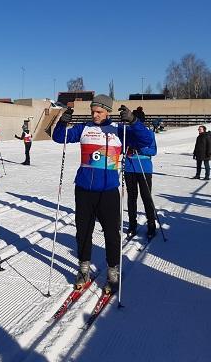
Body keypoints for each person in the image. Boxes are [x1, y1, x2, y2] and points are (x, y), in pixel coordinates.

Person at [53, 94, 153, 294]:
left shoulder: (118, 130)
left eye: (99, 111)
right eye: (93, 111)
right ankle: (83, 268)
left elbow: (146, 140)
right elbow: (58, 137)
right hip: (84, 189)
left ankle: (112, 270)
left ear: (107, 111)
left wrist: (133, 121)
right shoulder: (84, 128)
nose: (95, 115)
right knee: (83, 231)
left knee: (111, 233)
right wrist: (62, 122)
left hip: (108, 191)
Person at [125, 109, 158, 239]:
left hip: (144, 168)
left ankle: (151, 224)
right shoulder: (128, 132)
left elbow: (153, 151)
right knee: (131, 198)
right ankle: (132, 224)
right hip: (130, 168)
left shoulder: (148, 133)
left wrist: (141, 149)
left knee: (146, 196)